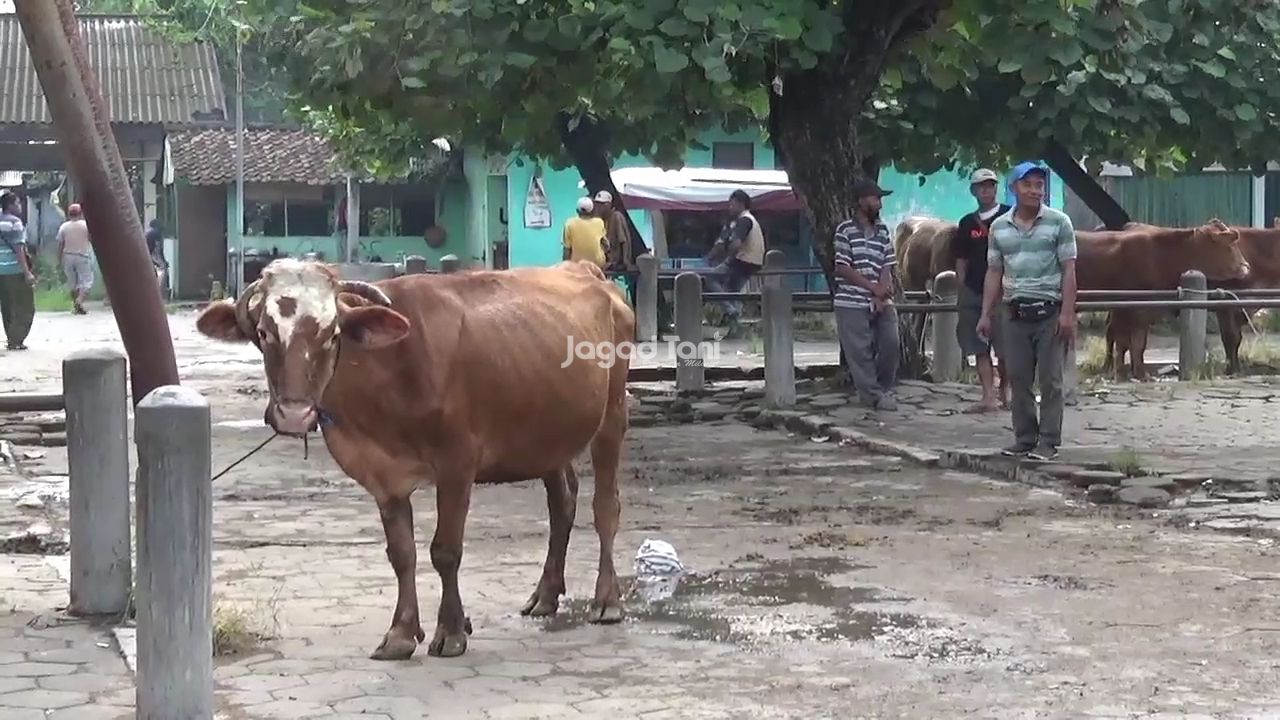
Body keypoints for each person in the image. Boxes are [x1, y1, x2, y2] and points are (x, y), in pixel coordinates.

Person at [978, 161, 1077, 461]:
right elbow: (994, 271)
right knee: (1018, 377)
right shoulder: (999, 227)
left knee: (1051, 381)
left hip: (1049, 311)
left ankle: (1048, 441)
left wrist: (1067, 313)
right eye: (1028, 185)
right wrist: (985, 313)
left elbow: (1069, 269)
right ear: (1014, 189)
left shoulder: (1059, 222)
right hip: (1014, 312)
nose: (1035, 190)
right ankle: (1024, 437)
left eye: (1039, 185)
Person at [832, 178, 900, 411]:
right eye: (875, 198)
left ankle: (882, 389)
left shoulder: (882, 230)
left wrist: (880, 293)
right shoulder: (845, 231)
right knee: (859, 351)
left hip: (880, 297)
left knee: (891, 342)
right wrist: (872, 288)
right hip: (851, 299)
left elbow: (887, 265)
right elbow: (843, 267)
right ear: (861, 202)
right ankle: (872, 395)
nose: (879, 204)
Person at [952, 169, 1012, 413]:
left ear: (996, 188)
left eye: (990, 185)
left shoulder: (1010, 216)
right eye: (981, 186)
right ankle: (988, 396)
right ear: (974, 191)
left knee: (1006, 347)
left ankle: (1006, 393)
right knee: (978, 347)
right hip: (974, 291)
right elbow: (961, 257)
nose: (986, 190)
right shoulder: (967, 223)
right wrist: (961, 285)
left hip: (1004, 293)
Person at [703, 189, 766, 337]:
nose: (729, 208)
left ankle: (732, 312)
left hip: (743, 260)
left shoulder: (745, 220)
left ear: (741, 204)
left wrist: (728, 259)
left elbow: (736, 243)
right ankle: (735, 328)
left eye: (732, 204)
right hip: (753, 262)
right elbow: (721, 242)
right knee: (731, 292)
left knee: (710, 278)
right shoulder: (740, 221)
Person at [0, 190, 36, 351]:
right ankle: (16, 340)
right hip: (14, 270)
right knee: (25, 306)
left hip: (1, 272)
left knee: (7, 306)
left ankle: (11, 338)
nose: (20, 206)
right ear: (10, 206)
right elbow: (19, 248)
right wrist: (27, 272)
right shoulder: (15, 222)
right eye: (18, 203)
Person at [57, 203, 94, 315]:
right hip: (83, 256)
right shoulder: (86, 225)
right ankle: (79, 301)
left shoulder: (64, 226)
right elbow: (91, 239)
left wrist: (59, 259)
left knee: (72, 283)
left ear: (69, 214)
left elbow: (60, 244)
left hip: (68, 256)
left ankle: (76, 306)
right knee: (86, 281)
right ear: (81, 213)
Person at [562, 197, 608, 268]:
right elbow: (606, 244)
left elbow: (567, 250)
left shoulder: (570, 223)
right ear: (592, 210)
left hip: (577, 265)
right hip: (597, 265)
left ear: (577, 210)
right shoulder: (599, 222)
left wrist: (565, 268)